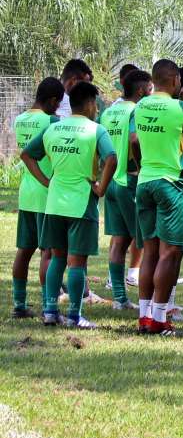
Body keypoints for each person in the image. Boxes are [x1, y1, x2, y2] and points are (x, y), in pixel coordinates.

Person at [21, 81, 116, 328]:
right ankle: (75, 316)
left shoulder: (55, 128)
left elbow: (27, 155)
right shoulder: (96, 130)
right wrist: (101, 188)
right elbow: (112, 159)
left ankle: (51, 311)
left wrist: (46, 181)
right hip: (81, 204)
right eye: (96, 105)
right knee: (77, 262)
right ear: (91, 104)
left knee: (57, 259)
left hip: (54, 204)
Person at [133, 59, 183, 336]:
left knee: (149, 250)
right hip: (172, 183)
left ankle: (144, 316)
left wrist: (141, 168)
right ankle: (160, 318)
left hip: (145, 181)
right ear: (175, 81)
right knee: (169, 253)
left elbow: (135, 143)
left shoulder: (140, 106)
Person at [98, 69, 152, 311]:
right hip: (128, 182)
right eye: (150, 90)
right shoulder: (137, 110)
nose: (151, 94)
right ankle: (149, 302)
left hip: (110, 182)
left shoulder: (109, 112)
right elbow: (133, 140)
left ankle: (120, 299)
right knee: (145, 241)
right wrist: (141, 168)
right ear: (141, 91)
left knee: (119, 241)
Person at [10, 78, 64, 318]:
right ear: (52, 101)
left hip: (25, 194)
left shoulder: (20, 120)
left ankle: (19, 304)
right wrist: (48, 181)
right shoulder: (51, 121)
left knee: (24, 250)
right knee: (48, 253)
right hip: (46, 194)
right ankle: (47, 305)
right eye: (59, 103)